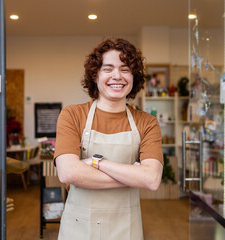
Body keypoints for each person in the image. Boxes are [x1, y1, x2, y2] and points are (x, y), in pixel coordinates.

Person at [54, 38, 164, 240]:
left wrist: (97, 163)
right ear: (95, 75)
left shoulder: (147, 123)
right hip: (78, 229)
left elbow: (152, 179)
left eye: (125, 69)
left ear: (133, 76)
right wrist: (133, 176)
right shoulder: (72, 115)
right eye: (108, 69)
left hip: (126, 230)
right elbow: (68, 173)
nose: (117, 76)